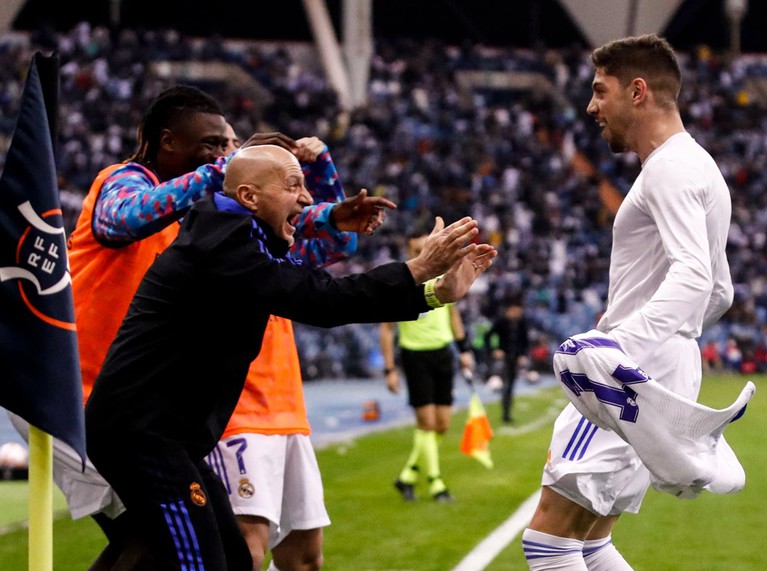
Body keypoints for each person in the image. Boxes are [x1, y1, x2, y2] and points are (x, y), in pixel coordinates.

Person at [9, 84, 390, 570]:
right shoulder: (122, 181)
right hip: (74, 395)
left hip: (130, 405)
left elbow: (311, 249)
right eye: (212, 144)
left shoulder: (205, 217)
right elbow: (123, 221)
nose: (224, 155)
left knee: (186, 543)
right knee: (157, 537)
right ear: (167, 141)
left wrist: (331, 209)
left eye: (229, 146)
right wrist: (227, 169)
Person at [84, 144, 497, 570]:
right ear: (249, 196)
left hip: (163, 435)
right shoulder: (223, 242)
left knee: (221, 558)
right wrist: (419, 269)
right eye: (293, 185)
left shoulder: (237, 233)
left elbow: (323, 278)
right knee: (202, 564)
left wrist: (434, 292)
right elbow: (320, 299)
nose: (305, 198)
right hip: (142, 435)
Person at [521, 34, 733, 570]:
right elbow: (720, 291)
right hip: (663, 366)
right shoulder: (700, 166)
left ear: (637, 91)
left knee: (548, 544)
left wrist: (614, 345)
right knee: (590, 542)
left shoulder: (668, 167)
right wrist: (659, 337)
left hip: (628, 372)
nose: (592, 106)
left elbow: (693, 277)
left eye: (600, 91)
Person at [208, 129, 394, 571]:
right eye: (222, 146)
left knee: (304, 559)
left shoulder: (279, 247)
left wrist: (323, 167)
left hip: (287, 409)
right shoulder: (215, 240)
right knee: (246, 550)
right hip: (238, 410)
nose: (301, 199)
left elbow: (339, 239)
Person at [380, 228, 475, 503]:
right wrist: (390, 368)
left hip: (442, 353)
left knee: (442, 424)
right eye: (415, 250)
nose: (420, 253)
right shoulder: (399, 281)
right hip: (414, 355)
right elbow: (386, 330)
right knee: (427, 423)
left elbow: (453, 312)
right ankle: (436, 484)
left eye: (424, 247)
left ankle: (407, 476)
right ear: (408, 251)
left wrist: (463, 348)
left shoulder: (443, 278)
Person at [485, 293, 530, 424]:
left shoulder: (521, 323)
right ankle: (505, 412)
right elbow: (488, 336)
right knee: (505, 384)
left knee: (511, 385)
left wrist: (522, 354)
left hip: (515, 357)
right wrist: (494, 349)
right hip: (504, 357)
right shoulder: (501, 322)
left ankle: (507, 412)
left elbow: (525, 341)